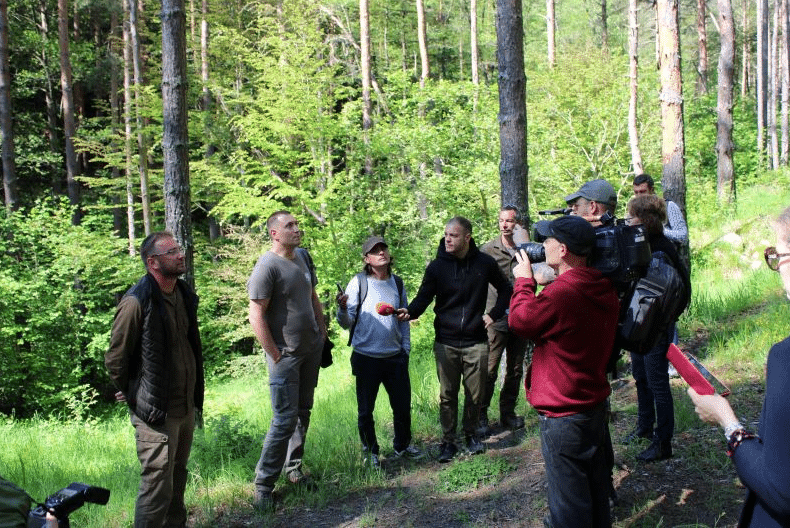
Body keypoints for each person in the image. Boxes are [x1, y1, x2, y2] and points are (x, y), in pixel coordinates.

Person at [508, 215, 619, 528]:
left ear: (563, 249)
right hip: (592, 407)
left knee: (569, 509)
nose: (544, 245)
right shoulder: (601, 286)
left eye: (549, 240)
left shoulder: (563, 295)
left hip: (564, 415)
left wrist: (523, 281)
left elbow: (521, 321)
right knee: (596, 498)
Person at [687, 206, 790, 528]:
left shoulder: (785, 358)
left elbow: (781, 490)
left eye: (778, 255)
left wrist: (728, 422)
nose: (776, 266)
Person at [105, 232, 204, 528]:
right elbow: (115, 358)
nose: (180, 254)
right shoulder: (136, 301)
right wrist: (132, 390)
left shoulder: (183, 293)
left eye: (179, 249)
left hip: (184, 407)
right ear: (153, 262)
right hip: (155, 412)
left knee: (177, 479)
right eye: (172, 251)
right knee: (157, 486)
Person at [400, 217, 512, 462]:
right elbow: (423, 298)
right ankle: (448, 442)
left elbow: (506, 289)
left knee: (475, 395)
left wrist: (493, 315)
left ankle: (471, 436)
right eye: (446, 234)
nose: (447, 239)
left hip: (476, 342)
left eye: (454, 235)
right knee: (447, 396)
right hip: (446, 342)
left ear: (467, 237)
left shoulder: (484, 263)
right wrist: (409, 312)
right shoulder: (437, 267)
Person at [247, 211, 327, 510]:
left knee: (302, 411)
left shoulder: (303, 257)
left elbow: (312, 296)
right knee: (283, 420)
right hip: (286, 357)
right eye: (289, 226)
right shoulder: (266, 267)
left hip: (310, 351)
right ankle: (263, 485)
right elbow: (255, 314)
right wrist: (276, 354)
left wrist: (321, 332)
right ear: (274, 234)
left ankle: (293, 470)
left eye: (297, 224)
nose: (297, 230)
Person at [336, 236, 423, 468]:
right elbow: (346, 322)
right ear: (367, 259)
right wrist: (341, 308)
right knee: (366, 411)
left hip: (395, 357)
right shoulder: (358, 283)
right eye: (375, 251)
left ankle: (402, 445)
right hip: (366, 358)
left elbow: (404, 318)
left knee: (402, 407)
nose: (381, 252)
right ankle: (370, 452)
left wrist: (406, 348)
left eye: (383, 248)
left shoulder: (398, 283)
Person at [623, 195, 690, 461]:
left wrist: (656, 328)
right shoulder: (647, 244)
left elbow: (660, 295)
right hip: (641, 326)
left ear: (645, 220)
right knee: (641, 376)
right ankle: (644, 427)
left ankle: (663, 442)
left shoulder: (660, 250)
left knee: (657, 383)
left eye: (633, 217)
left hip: (653, 329)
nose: (629, 221)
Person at [477, 206, 531, 433]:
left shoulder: (526, 249)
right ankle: (480, 415)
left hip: (520, 314)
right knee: (489, 368)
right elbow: (476, 282)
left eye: (509, 221)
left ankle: (507, 414)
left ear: (516, 223)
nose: (505, 225)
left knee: (515, 369)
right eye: (501, 220)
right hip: (496, 318)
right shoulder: (488, 250)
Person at [632, 174, 688, 249]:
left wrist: (659, 230)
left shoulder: (668, 206)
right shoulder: (634, 211)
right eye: (636, 192)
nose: (639, 196)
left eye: (642, 192)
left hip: (665, 255)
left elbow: (683, 236)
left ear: (652, 190)